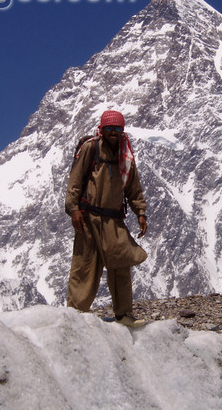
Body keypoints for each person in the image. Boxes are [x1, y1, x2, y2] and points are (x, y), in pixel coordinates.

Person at [65, 110, 148, 327]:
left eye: (117, 129)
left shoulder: (125, 155)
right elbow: (75, 181)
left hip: (113, 220)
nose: (113, 133)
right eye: (109, 129)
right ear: (102, 130)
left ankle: (124, 314)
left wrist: (140, 212)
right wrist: (73, 209)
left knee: (121, 266)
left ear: (122, 131)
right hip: (88, 218)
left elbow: (133, 187)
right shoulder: (90, 149)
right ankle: (75, 316)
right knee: (85, 267)